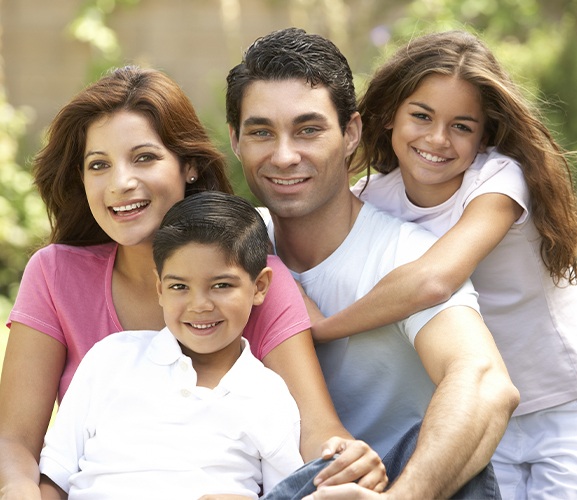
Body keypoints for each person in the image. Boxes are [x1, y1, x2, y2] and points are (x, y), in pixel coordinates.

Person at [0, 66, 385, 499]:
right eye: (98, 165)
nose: (120, 183)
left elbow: (315, 427)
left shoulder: (250, 279)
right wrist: (19, 489)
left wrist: (343, 456)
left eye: (144, 157)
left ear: (189, 167)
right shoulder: (55, 275)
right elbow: (14, 440)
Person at [226, 27, 520, 498]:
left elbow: (483, 383)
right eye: (262, 132)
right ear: (235, 141)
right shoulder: (230, 248)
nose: (284, 156)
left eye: (309, 129)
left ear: (351, 133)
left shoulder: (406, 253)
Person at [311, 30, 577, 498]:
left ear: (485, 135)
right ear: (390, 115)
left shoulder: (497, 181)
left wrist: (325, 327)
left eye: (461, 126)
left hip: (564, 402)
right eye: (421, 115)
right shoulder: (373, 199)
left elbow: (434, 280)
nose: (438, 139)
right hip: (481, 411)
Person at [38, 191, 305, 499]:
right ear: (160, 289)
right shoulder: (110, 359)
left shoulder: (268, 395)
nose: (200, 305)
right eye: (179, 286)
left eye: (221, 285)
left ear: (259, 287)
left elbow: (288, 493)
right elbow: (54, 478)